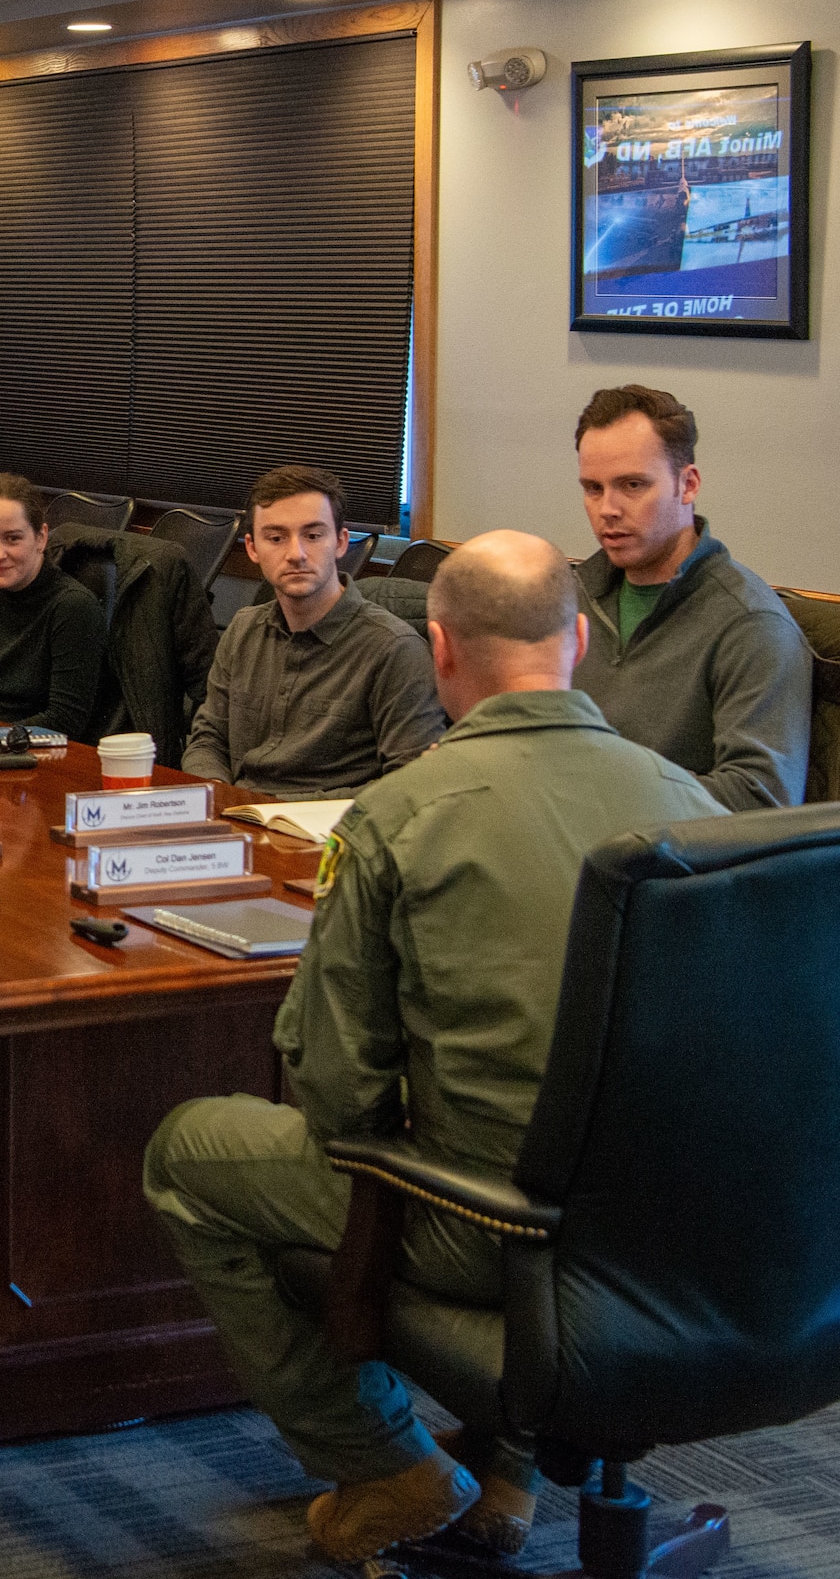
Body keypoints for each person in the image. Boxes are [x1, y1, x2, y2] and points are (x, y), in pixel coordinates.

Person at [144, 531, 725, 1564]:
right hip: (683, 1226)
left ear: (438, 648)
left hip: (484, 1224)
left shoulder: (396, 815)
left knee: (190, 1153)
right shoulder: (689, 803)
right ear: (578, 640)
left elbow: (331, 1086)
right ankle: (504, 1472)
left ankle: (384, 1460)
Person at [571, 383, 810, 810]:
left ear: (688, 485)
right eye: (593, 488)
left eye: (632, 485)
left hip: (670, 866)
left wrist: (599, 789)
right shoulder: (571, 596)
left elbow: (758, 799)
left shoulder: (751, 625)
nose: (608, 508)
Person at [183, 465, 445, 797]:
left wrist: (274, 810)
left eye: (313, 535)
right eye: (276, 538)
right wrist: (217, 792)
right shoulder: (244, 629)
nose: (296, 554)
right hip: (239, 816)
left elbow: (409, 786)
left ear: (340, 542)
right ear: (251, 548)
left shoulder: (394, 649)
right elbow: (208, 738)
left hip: (329, 834)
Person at [0, 473, 106, 739]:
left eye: (13, 539)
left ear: (41, 538)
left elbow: (65, 719)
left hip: (39, 752)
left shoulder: (73, 607)